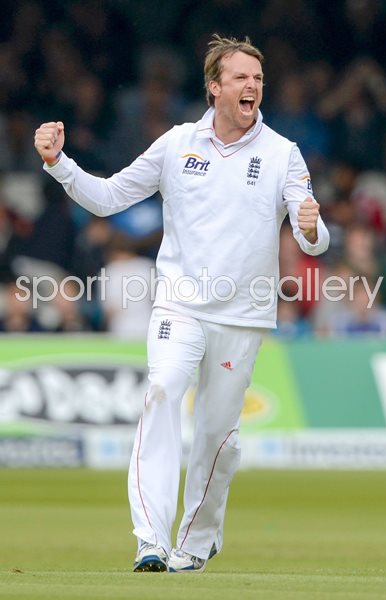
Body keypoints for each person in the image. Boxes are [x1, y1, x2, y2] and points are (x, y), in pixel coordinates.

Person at [34, 34, 329, 573]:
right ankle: (149, 538)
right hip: (179, 305)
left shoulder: (283, 152)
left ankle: (196, 541)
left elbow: (313, 232)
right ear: (215, 87)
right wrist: (58, 163)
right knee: (163, 391)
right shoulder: (176, 144)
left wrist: (311, 230)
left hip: (243, 315)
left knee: (219, 438)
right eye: (241, 77)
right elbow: (109, 197)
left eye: (258, 79)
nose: (252, 86)